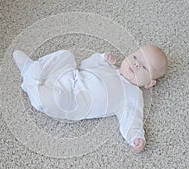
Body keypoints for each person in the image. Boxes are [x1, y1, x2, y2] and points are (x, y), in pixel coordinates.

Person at [13, 45, 167, 153]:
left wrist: (135, 136)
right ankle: (30, 68)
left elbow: (132, 117)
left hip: (71, 102)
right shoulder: (110, 67)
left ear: (149, 83)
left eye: (145, 67)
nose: (136, 64)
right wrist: (100, 58)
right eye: (135, 57)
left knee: (51, 100)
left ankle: (31, 81)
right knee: (65, 56)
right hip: (70, 77)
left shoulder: (132, 94)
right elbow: (85, 65)